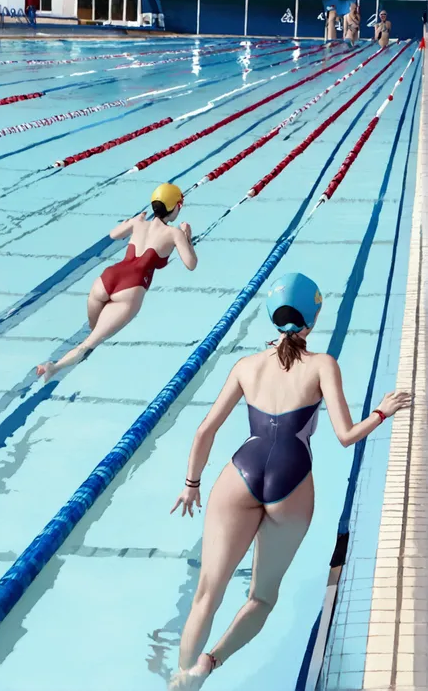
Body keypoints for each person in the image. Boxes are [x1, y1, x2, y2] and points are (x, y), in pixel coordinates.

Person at [168, 272, 411, 690]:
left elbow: (203, 431)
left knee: (206, 594)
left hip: (239, 475)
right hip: (292, 482)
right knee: (261, 598)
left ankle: (179, 678)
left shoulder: (246, 366)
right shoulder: (322, 365)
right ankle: (210, 663)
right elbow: (346, 436)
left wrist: (192, 484)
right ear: (312, 321)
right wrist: (383, 411)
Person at [36, 183, 198, 383]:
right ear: (175, 207)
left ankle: (70, 358)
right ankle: (54, 367)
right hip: (131, 287)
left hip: (107, 278)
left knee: (92, 331)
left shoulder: (140, 223)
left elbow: (114, 234)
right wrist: (186, 237)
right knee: (88, 344)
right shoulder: (174, 233)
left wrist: (133, 220)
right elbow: (191, 264)